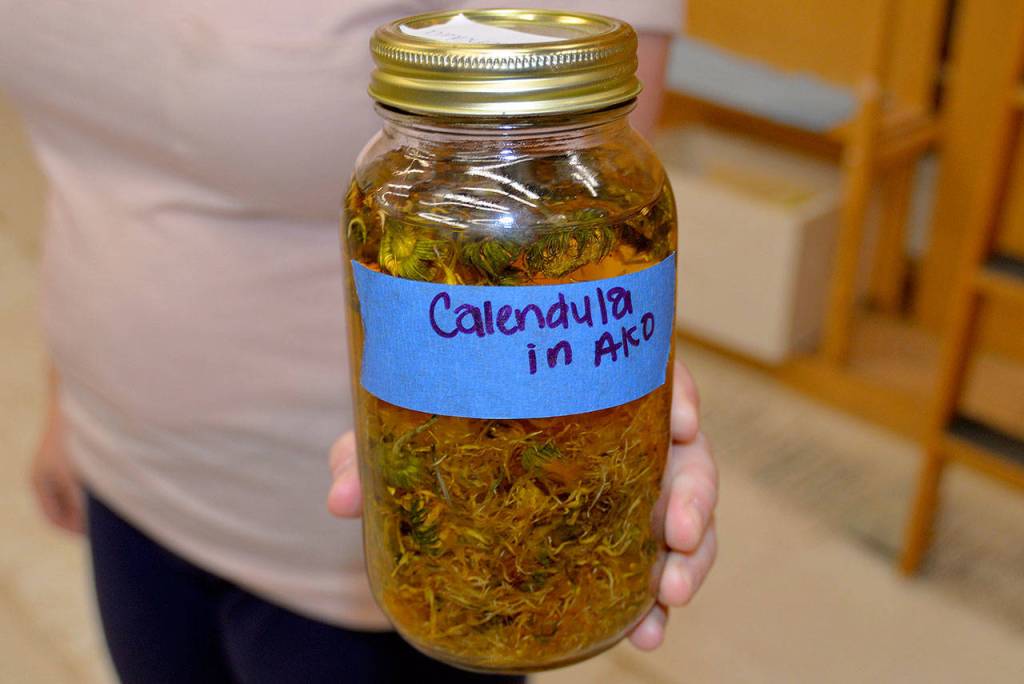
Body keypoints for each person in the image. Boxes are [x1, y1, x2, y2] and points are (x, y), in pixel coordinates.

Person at [2, 1, 718, 682]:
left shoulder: (431, 187)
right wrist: (67, 396)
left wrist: (610, 436)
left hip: (422, 525)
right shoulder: (379, 181)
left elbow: (587, 225)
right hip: (121, 464)